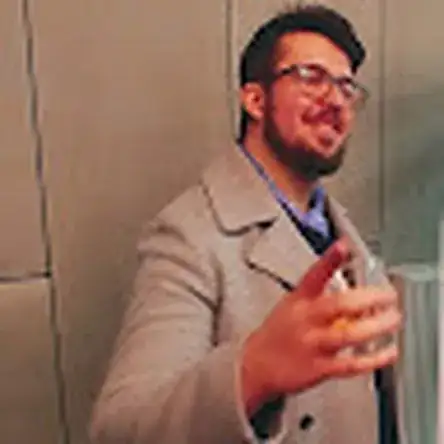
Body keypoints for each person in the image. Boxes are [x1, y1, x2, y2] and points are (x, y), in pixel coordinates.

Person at [89, 4, 402, 444]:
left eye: (346, 87)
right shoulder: (190, 236)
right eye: (311, 77)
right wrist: (252, 371)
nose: (336, 101)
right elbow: (121, 429)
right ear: (255, 100)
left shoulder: (337, 225)